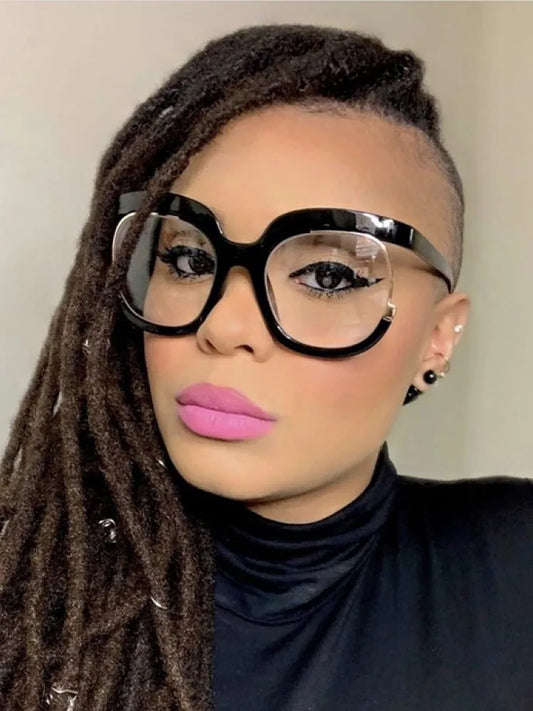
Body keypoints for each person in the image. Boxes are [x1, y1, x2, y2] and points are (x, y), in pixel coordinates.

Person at [0, 21, 531, 711]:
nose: (224, 326)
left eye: (328, 276)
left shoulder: (513, 567)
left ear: (437, 338)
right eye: (187, 259)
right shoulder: (29, 595)